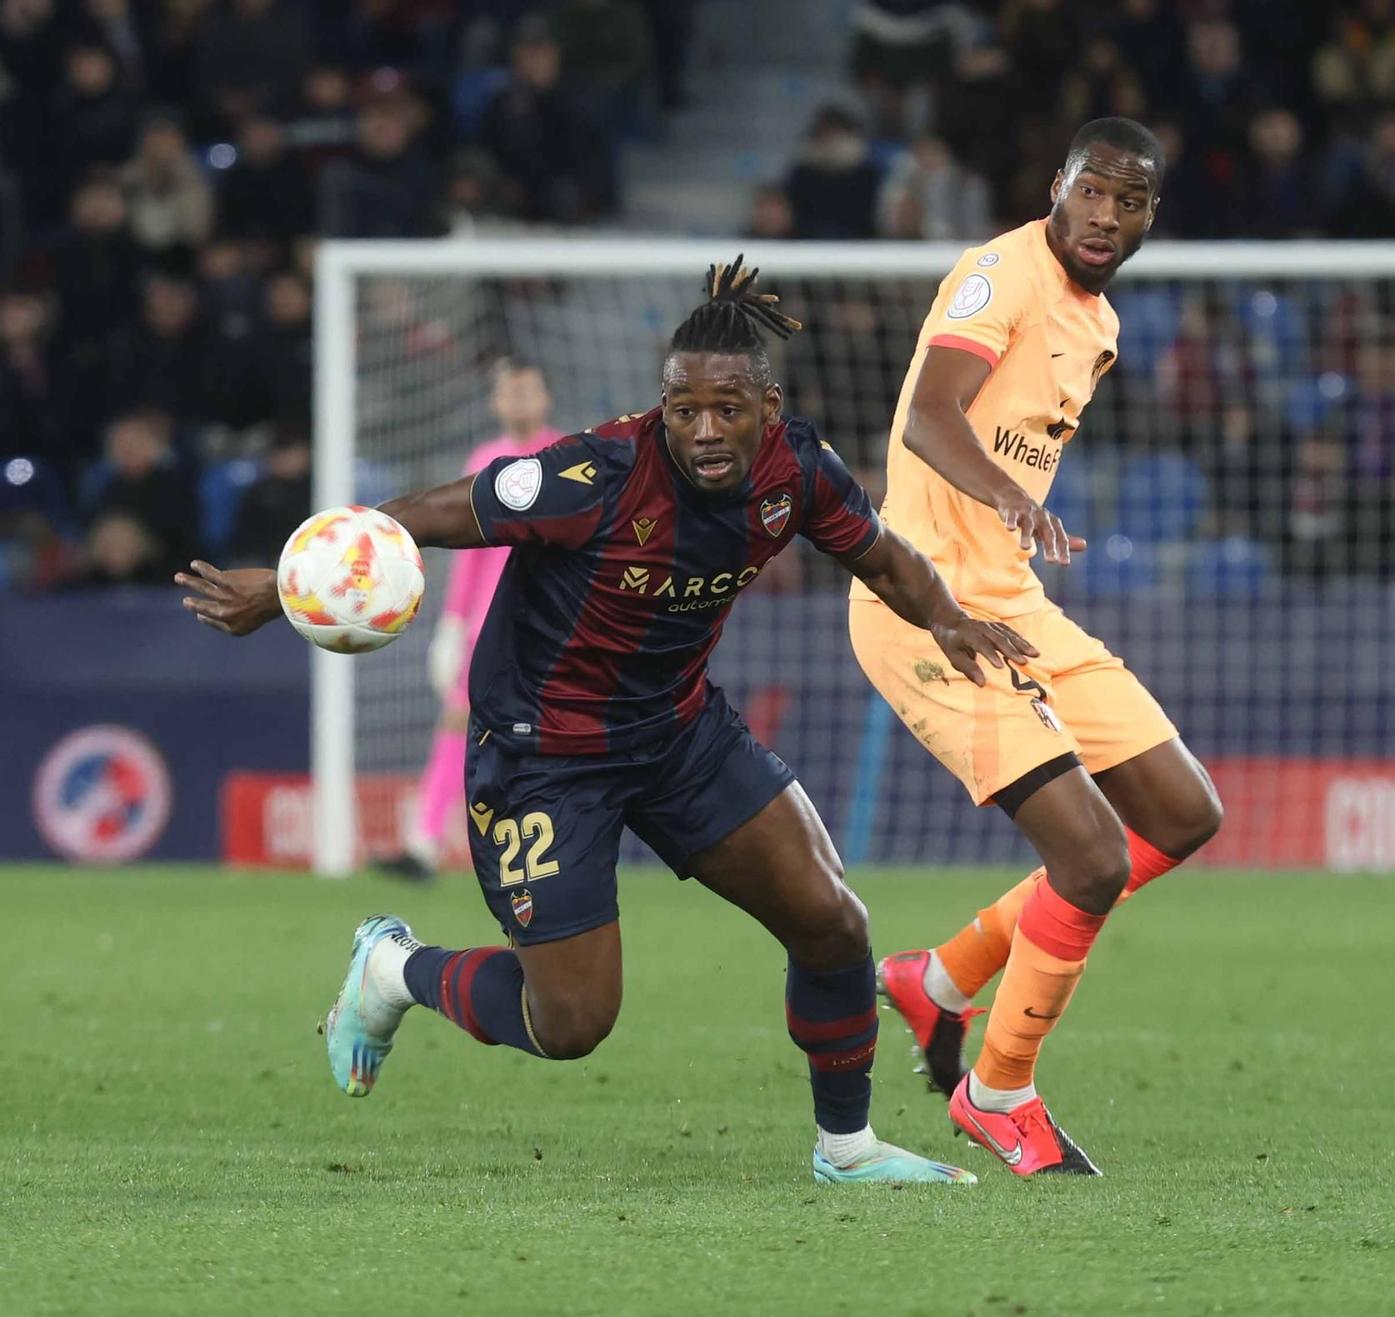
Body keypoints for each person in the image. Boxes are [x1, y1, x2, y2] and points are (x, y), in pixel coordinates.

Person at [176, 260, 1039, 1185]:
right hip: (543, 757)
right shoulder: (591, 477)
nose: (705, 430)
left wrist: (948, 617)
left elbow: (882, 556)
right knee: (574, 1021)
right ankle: (393, 969)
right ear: (660, 408)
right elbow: (421, 514)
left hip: (676, 734)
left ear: (767, 404)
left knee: (832, 920)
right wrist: (287, 584)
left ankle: (847, 1149)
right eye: (684, 410)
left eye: (727, 409)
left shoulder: (798, 469)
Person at [853, 118, 1224, 1176]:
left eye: (1131, 202)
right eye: (1092, 193)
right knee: (1092, 856)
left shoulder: (1094, 321)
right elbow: (928, 416)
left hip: (1009, 601)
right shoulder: (998, 272)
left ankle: (940, 979)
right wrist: (1010, 496)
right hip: (920, 602)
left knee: (1180, 811)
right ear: (1056, 185)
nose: (1106, 217)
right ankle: (998, 1090)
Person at [379, 358, 562, 881]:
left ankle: (541, 843)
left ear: (545, 398)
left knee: (542, 732)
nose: (518, 400)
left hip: (548, 619)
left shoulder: (564, 457)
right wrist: (453, 625)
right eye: (509, 391)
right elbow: (469, 554)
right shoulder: (485, 458)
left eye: (527, 389)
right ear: (495, 402)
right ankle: (425, 841)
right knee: (458, 723)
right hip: (488, 623)